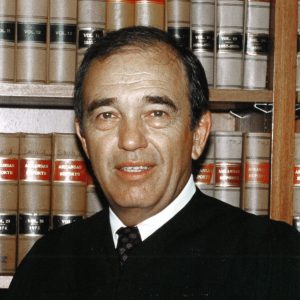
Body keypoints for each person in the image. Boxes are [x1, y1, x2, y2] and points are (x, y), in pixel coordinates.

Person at [7, 26, 300, 299]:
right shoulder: (48, 260)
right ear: (84, 139)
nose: (130, 140)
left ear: (198, 134)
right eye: (107, 115)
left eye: (156, 113)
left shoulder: (273, 257)